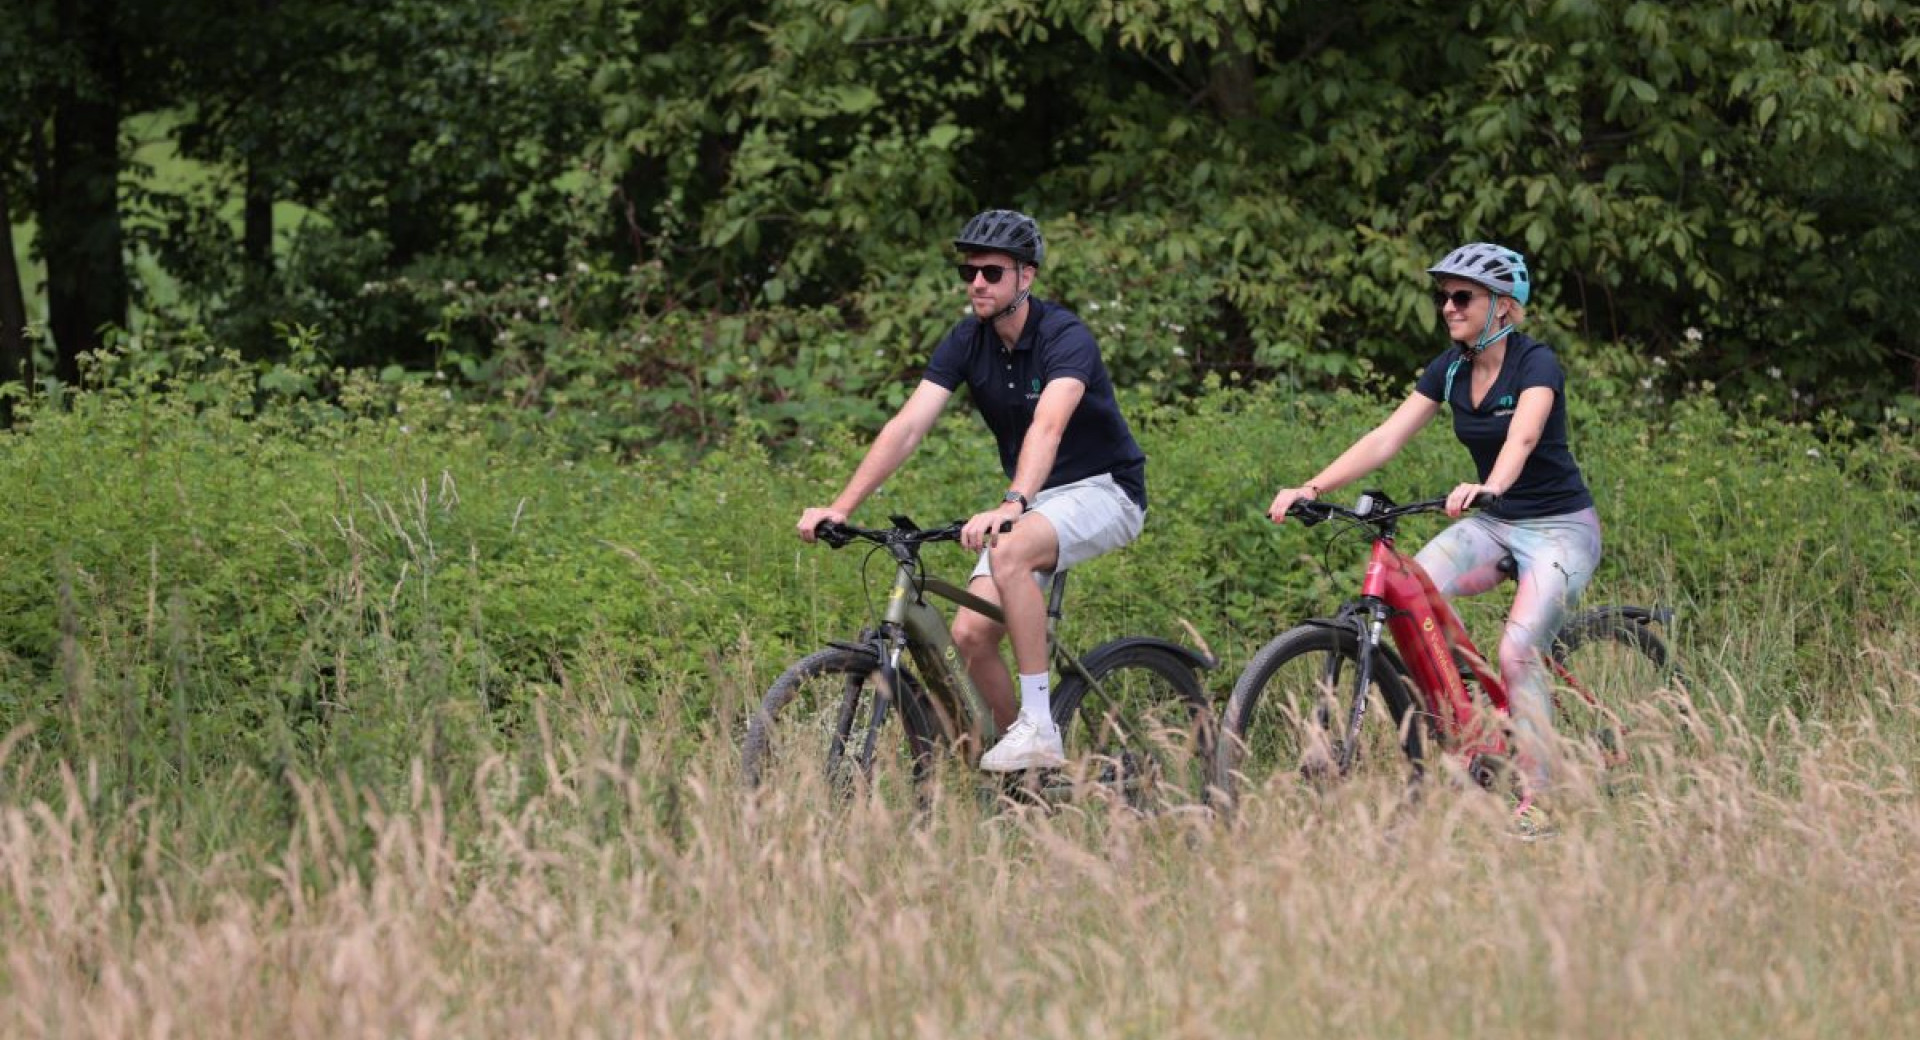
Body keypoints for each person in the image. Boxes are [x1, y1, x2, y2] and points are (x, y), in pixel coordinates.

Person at [796, 209, 1148, 772]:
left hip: (1104, 490)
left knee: (1009, 549)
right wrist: (842, 506)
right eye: (969, 272)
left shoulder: (1065, 336)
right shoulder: (968, 340)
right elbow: (908, 427)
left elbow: (1049, 425)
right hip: (1037, 501)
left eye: (990, 272)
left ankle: (1039, 726)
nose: (976, 283)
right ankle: (1029, 779)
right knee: (970, 633)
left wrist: (1014, 503)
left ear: (1024, 277)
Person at [1264, 242, 1600, 822]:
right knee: (1413, 594)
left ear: (1502, 306)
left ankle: (1539, 798)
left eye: (1462, 296)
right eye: (1443, 296)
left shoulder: (1535, 363)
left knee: (1518, 648)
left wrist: (1489, 484)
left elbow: (1522, 437)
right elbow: (1385, 438)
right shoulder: (1449, 370)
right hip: (1495, 525)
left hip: (1559, 530)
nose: (1448, 306)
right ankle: (1475, 726)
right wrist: (1311, 487)